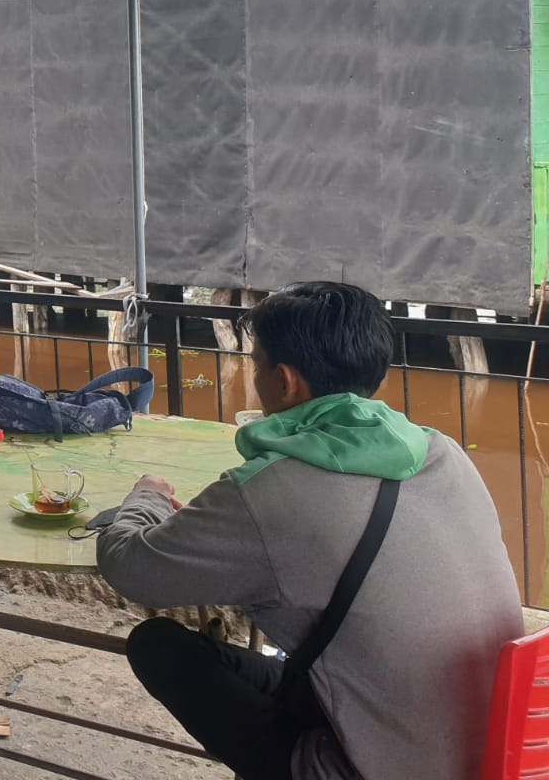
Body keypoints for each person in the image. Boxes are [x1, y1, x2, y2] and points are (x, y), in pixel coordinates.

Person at [97, 281, 522, 780]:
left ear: (285, 381)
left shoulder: (270, 491)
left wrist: (146, 495)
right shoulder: (443, 452)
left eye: (256, 367)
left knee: (158, 646)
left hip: (380, 766)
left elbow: (131, 568)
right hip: (491, 746)